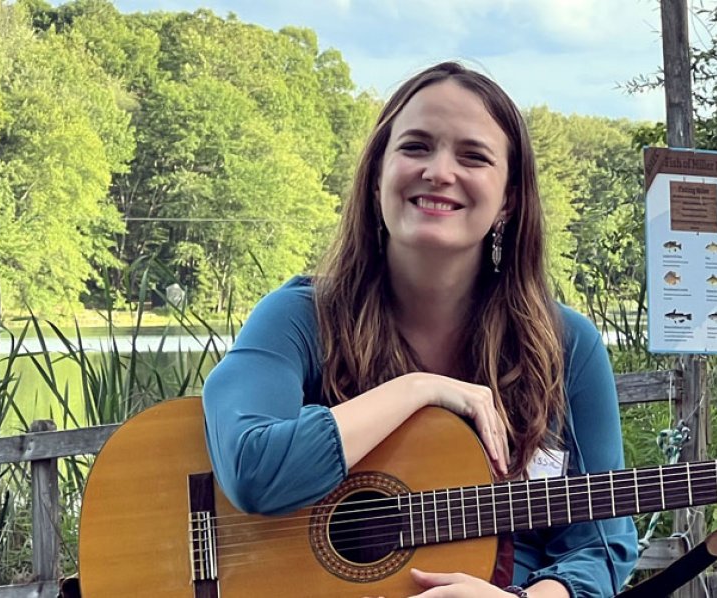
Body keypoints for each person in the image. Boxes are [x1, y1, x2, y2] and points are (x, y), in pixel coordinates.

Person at [202, 61, 638, 598]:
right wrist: (418, 389)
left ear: (509, 200)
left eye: (473, 156)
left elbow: (599, 543)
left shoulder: (566, 345)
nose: (439, 171)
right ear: (378, 172)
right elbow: (253, 470)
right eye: (415, 147)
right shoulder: (299, 317)